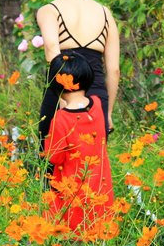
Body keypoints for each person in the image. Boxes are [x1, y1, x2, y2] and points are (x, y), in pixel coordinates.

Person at [36, 0, 120, 140]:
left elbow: (52, 51)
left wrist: (65, 103)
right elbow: (114, 70)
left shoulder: (49, 10)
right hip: (97, 98)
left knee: (52, 163)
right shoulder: (105, 13)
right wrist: (107, 113)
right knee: (91, 165)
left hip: (61, 95)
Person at [43, 54, 114, 233]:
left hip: (73, 190)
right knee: (99, 237)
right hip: (100, 187)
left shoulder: (61, 119)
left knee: (73, 244)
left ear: (55, 84)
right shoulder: (97, 105)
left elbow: (54, 157)